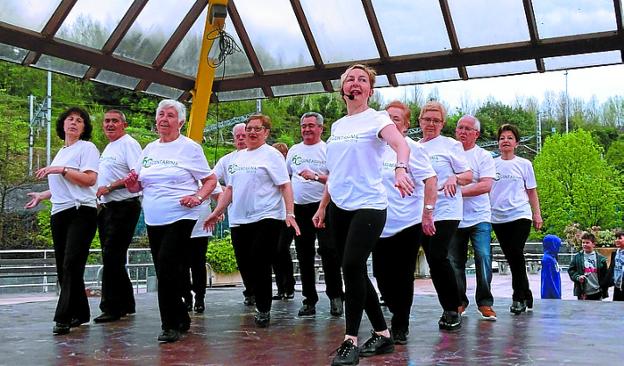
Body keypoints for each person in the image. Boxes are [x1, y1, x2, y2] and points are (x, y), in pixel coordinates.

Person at [312, 64, 414, 366]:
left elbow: (400, 145)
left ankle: (350, 340)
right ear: (343, 89)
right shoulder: (338, 127)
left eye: (362, 79)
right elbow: (335, 173)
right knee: (354, 271)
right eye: (349, 79)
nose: (355, 83)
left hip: (369, 205)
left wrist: (399, 168)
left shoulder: (378, 119)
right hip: (340, 207)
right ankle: (382, 333)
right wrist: (322, 207)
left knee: (352, 264)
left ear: (369, 89)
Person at [124, 99, 217, 343]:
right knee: (168, 269)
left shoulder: (189, 148)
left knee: (166, 265)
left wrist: (197, 197)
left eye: (170, 115)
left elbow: (210, 180)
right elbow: (138, 184)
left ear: (181, 122)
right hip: (154, 218)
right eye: (161, 115)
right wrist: (132, 183)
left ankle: (170, 325)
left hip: (181, 214)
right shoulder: (149, 150)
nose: (164, 119)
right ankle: (182, 317)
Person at [204, 114, 300, 328]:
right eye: (249, 128)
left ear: (266, 132)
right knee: (245, 263)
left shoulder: (272, 155)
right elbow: (229, 189)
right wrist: (217, 211)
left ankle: (263, 308)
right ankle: (257, 296)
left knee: (260, 261)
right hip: (239, 219)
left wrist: (290, 213)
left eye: (257, 129)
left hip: (267, 217)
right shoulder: (237, 158)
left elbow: (285, 185)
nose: (252, 132)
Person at [25, 107, 100, 335]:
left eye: (79, 121)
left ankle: (64, 317)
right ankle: (80, 312)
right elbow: (64, 184)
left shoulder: (87, 148)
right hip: (60, 212)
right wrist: (43, 195)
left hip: (81, 212)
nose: (74, 123)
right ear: (63, 124)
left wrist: (61, 169)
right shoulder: (62, 152)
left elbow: (89, 180)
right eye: (70, 119)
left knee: (71, 263)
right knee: (63, 267)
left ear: (84, 127)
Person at [372, 101, 437, 344]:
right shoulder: (375, 147)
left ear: (407, 125)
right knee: (381, 275)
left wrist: (427, 212)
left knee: (402, 275)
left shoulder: (411, 148)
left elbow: (430, 180)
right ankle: (393, 305)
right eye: (387, 118)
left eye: (397, 119)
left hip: (407, 223)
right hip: (379, 221)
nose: (391, 122)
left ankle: (401, 324)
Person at [417, 101, 472, 330]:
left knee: (439, 256)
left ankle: (453, 307)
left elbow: (468, 175)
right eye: (427, 119)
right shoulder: (412, 146)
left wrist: (454, 178)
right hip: (419, 212)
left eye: (436, 120)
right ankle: (448, 304)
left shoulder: (451, 145)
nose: (431, 124)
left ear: (443, 123)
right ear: (420, 121)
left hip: (446, 209)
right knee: (431, 259)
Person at [286, 112, 344, 317]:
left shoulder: (328, 150)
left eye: (311, 125)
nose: (307, 129)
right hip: (300, 209)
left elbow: (337, 179)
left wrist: (316, 176)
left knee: (329, 252)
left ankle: (336, 297)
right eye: (304, 126)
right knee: (303, 255)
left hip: (324, 208)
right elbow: (286, 181)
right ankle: (309, 300)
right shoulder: (293, 151)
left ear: (321, 127)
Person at [93, 110, 142, 323]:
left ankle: (111, 307)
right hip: (107, 207)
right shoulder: (109, 148)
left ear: (124, 124)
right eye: (106, 121)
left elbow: (136, 174)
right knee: (113, 256)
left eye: (115, 121)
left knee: (112, 254)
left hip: (124, 205)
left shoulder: (129, 144)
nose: (110, 125)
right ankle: (126, 303)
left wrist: (110, 187)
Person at [490, 123, 543, 314]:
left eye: (510, 138)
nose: (506, 141)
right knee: (513, 257)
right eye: (502, 138)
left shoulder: (524, 164)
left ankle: (518, 298)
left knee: (515, 252)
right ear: (498, 143)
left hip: (520, 214)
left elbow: (532, 191)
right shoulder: (491, 164)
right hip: (498, 217)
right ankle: (526, 291)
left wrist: (537, 214)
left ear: (517, 143)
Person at [448, 115, 497, 320]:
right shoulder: (449, 153)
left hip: (479, 217)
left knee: (483, 257)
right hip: (454, 216)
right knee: (454, 261)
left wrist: (458, 190)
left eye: (468, 129)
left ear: (476, 134)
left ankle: (485, 302)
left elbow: (486, 185)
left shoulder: (483, 156)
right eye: (460, 127)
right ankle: (459, 302)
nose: (463, 132)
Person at [212, 123, 255, 306]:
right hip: (236, 215)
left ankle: (261, 292)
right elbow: (209, 179)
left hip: (260, 215)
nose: (240, 138)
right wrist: (221, 194)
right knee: (242, 256)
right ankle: (250, 290)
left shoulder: (261, 155)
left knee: (258, 256)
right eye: (236, 136)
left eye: (243, 134)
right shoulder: (226, 160)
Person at [270, 142, 296, 301]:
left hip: (287, 215)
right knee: (274, 251)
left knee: (282, 249)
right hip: (274, 215)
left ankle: (289, 285)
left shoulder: (288, 175)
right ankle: (280, 287)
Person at [567, 232, 608, 300]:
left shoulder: (601, 259)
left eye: (587, 242)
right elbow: (571, 270)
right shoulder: (577, 257)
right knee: (582, 310)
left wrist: (603, 290)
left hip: (597, 292)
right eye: (583, 242)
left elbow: (605, 276)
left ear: (593, 244)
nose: (584, 245)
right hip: (583, 293)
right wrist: (578, 277)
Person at [601, 230, 624, 301]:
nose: (617, 240)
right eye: (616, 238)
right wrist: (604, 285)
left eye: (620, 238)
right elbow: (611, 270)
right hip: (617, 286)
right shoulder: (615, 253)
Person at [541, 234, 562, 299]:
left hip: (555, 292)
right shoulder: (547, 259)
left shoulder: (553, 257)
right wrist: (556, 295)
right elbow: (548, 279)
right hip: (550, 295)